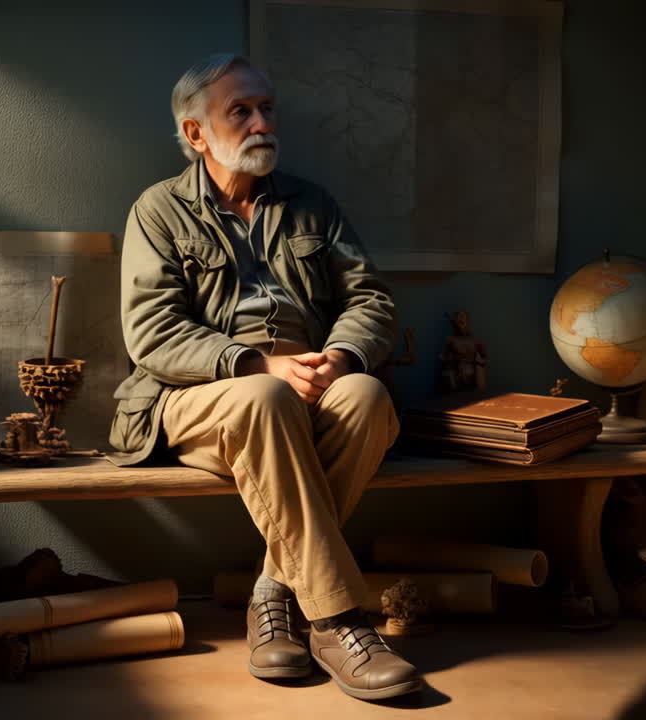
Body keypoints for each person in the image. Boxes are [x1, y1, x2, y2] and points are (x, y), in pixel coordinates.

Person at [108, 53, 420, 701]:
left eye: (268, 109)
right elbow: (152, 333)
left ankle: (272, 594)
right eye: (241, 111)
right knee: (265, 394)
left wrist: (340, 358)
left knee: (366, 395)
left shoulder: (313, 205)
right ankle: (337, 621)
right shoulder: (158, 211)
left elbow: (370, 299)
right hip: (195, 402)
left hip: (304, 389)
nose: (262, 124)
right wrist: (257, 363)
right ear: (196, 133)